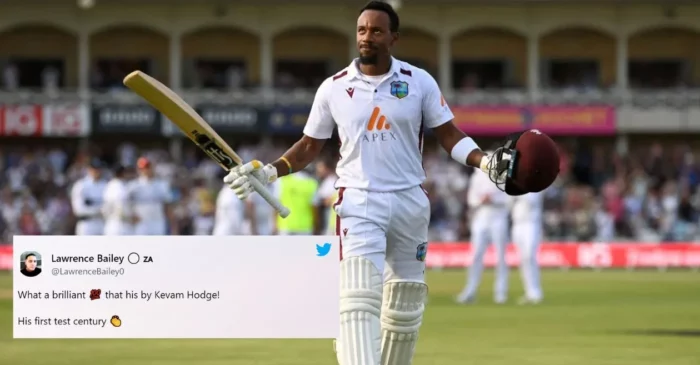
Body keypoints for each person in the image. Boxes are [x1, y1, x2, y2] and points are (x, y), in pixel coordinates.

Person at [222, 2, 516, 364]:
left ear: (393, 37)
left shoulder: (418, 81)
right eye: (362, 30)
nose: (367, 37)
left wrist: (484, 162)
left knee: (405, 307)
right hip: (359, 200)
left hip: (410, 200)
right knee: (359, 297)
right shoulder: (333, 88)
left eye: (376, 31)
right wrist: (269, 172)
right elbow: (309, 146)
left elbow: (449, 135)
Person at [457, 165, 510, 304]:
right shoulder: (477, 176)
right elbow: (471, 200)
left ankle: (501, 292)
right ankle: (470, 290)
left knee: (500, 256)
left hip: (498, 218)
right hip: (481, 218)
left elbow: (508, 200)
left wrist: (494, 199)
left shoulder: (502, 176)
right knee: (475, 255)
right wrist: (482, 200)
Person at [511, 191, 545, 304]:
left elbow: (531, 200)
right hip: (517, 223)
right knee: (522, 259)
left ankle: (536, 291)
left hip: (531, 223)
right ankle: (529, 291)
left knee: (530, 256)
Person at [129, 157, 175, 235]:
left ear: (152, 168)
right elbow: (127, 205)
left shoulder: (162, 185)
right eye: (142, 168)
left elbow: (168, 208)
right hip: (141, 224)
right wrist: (131, 216)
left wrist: (174, 228)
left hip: (157, 223)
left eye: (147, 167)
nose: (145, 170)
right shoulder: (133, 186)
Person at [70, 159, 107, 235]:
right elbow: (78, 210)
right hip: (86, 224)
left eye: (99, 168)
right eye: (94, 168)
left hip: (102, 223)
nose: (97, 171)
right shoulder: (81, 185)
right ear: (89, 169)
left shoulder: (106, 185)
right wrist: (98, 210)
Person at [102, 165, 137, 236]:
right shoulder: (121, 187)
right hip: (121, 225)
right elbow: (121, 206)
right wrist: (131, 217)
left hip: (110, 224)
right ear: (123, 173)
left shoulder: (109, 185)